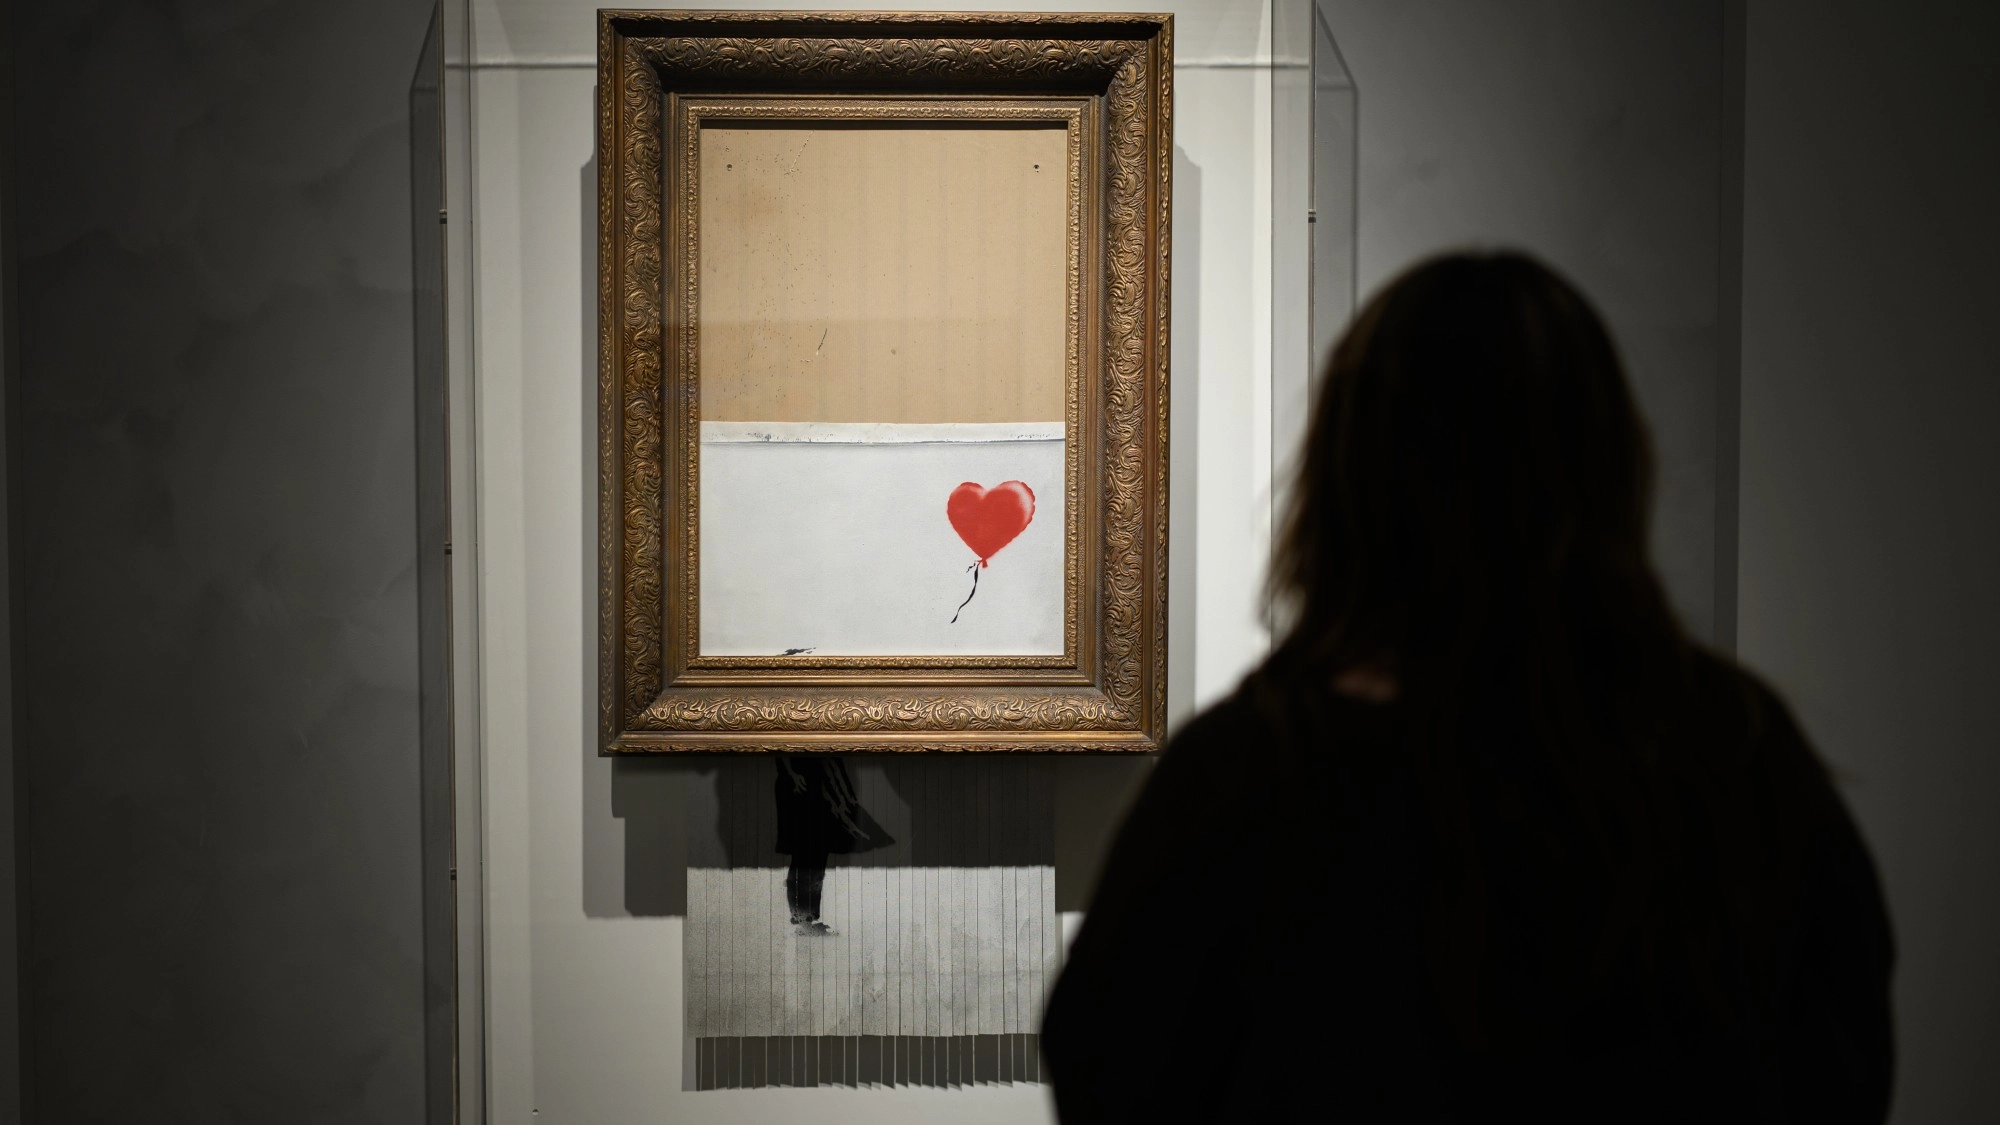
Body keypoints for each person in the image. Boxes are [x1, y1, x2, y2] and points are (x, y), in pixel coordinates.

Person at [1040, 251, 1894, 1122]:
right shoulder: (1737, 756)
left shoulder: (1243, 776)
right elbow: (1844, 1066)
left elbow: (1108, 1068)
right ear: (1608, 466)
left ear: (1349, 478)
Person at [774, 754, 893, 935]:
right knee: (805, 855)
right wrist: (792, 774)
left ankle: (807, 919)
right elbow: (781, 748)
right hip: (803, 789)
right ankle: (802, 919)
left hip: (820, 789)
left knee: (817, 856)